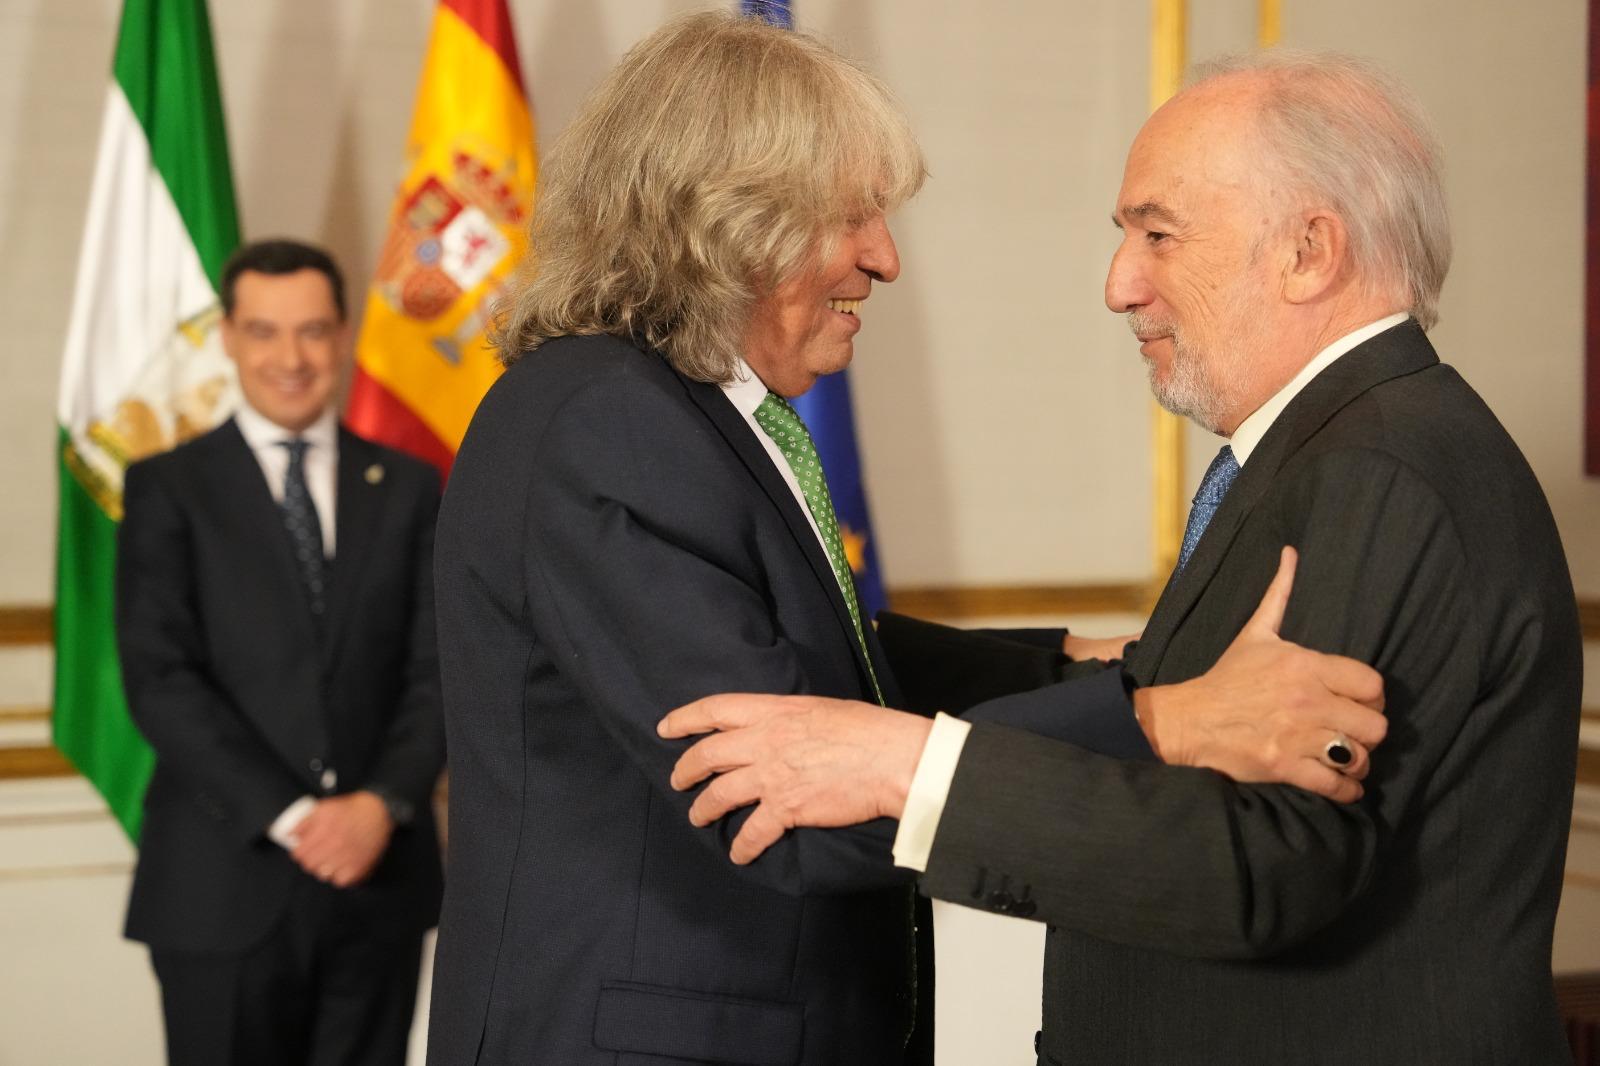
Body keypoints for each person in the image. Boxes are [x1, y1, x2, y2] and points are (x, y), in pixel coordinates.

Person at [426, 14, 1390, 1066]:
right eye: (853, 214)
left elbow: (816, 654)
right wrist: (1164, 719)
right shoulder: (602, 421)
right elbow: (779, 785)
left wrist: (1072, 664)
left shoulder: (678, 410)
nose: (883, 259)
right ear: (730, 218)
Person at [664, 50, 1583, 1063]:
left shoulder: (1375, 471)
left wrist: (909, 772)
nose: (1118, 284)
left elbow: (1267, 858)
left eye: (1156, 233)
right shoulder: (1334, 450)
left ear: (1307, 251)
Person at [115, 239, 446, 1066]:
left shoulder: (411, 488)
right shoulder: (167, 488)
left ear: (342, 337)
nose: (290, 358)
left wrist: (377, 807)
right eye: (264, 332)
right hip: (220, 887)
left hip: (382, 884)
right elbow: (161, 681)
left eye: (312, 332)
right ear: (228, 337)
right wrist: (300, 820)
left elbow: (440, 671)